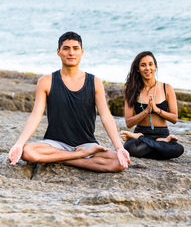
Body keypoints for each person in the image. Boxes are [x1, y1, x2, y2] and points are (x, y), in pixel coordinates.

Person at [8, 31, 130, 172]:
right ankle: (78, 156)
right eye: (66, 48)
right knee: (27, 151)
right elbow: (36, 115)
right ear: (59, 52)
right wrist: (19, 143)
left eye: (75, 48)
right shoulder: (46, 81)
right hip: (55, 144)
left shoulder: (95, 82)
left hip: (87, 144)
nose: (71, 52)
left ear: (82, 52)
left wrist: (119, 148)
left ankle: (64, 159)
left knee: (119, 163)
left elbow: (106, 116)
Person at [121, 51, 184, 160]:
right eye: (143, 65)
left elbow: (174, 118)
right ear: (137, 69)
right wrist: (146, 111)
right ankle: (158, 144)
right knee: (129, 147)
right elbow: (129, 123)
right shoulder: (132, 90)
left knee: (178, 149)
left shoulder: (167, 88)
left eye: (150, 64)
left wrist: (156, 109)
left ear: (155, 66)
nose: (147, 68)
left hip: (162, 134)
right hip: (142, 131)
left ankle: (151, 141)